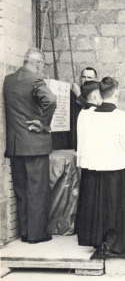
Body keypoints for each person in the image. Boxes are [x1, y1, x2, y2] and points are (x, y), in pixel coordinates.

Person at [76, 77, 125, 254]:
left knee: (98, 205)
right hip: (116, 169)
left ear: (100, 94)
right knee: (115, 206)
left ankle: (99, 241)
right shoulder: (121, 117)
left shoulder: (87, 115)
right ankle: (116, 242)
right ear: (116, 93)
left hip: (94, 168)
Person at [4, 48, 57, 243]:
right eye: (42, 65)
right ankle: (36, 235)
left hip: (16, 146)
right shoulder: (35, 80)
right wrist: (43, 123)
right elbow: (51, 100)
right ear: (38, 63)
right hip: (35, 146)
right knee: (37, 191)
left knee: (21, 191)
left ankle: (25, 231)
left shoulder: (8, 81)